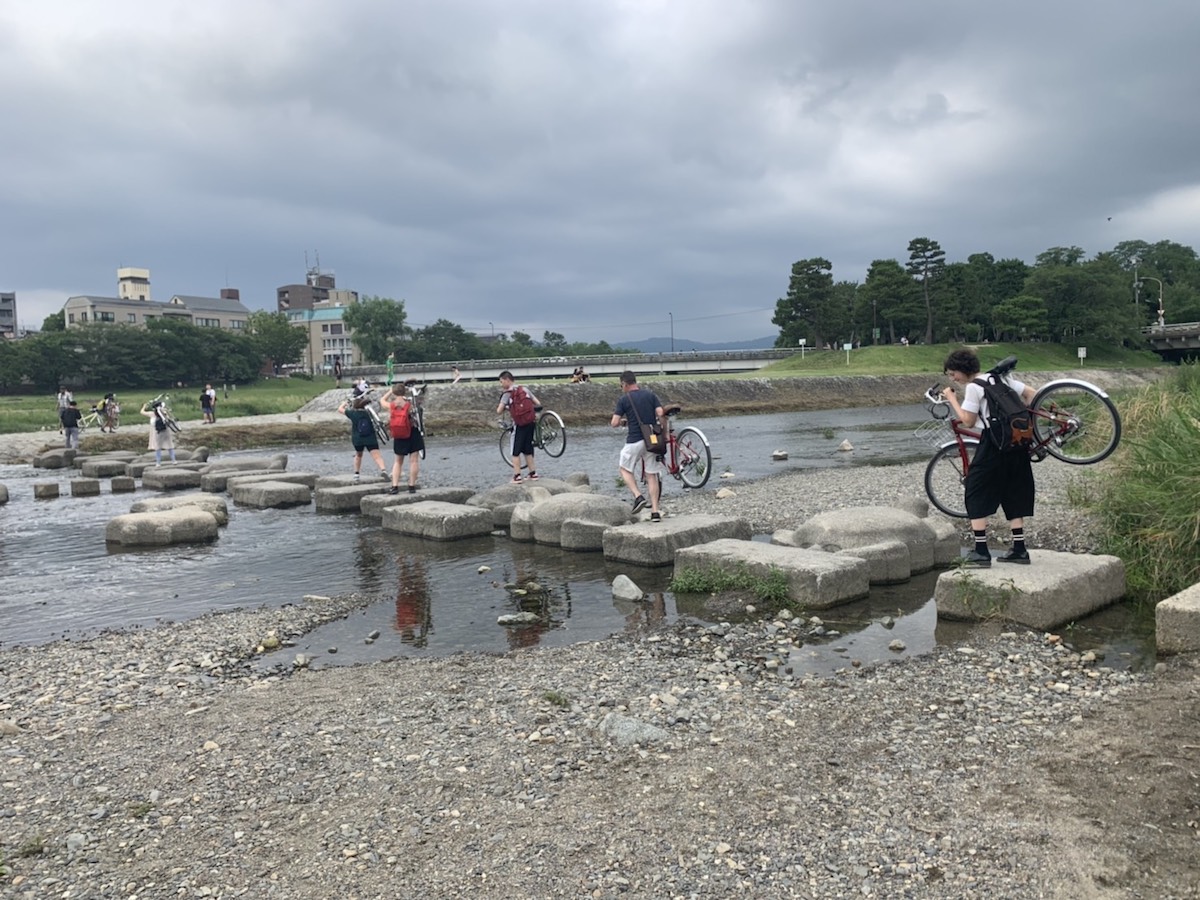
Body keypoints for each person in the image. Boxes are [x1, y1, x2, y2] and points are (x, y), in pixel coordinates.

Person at [941, 347, 1037, 566]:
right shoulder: (1000, 378)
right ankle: (1020, 550)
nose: (953, 378)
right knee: (1014, 491)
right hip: (1017, 442)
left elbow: (967, 421)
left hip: (993, 444)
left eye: (953, 373)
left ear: (963, 370)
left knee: (975, 489)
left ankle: (981, 551)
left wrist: (951, 399)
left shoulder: (975, 387)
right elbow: (1031, 394)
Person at [610, 370, 667, 521]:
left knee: (624, 469)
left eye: (620, 385)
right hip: (652, 439)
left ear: (624, 384)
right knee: (652, 475)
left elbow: (614, 423)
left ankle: (638, 496)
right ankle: (655, 512)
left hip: (635, 439)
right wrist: (664, 431)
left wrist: (624, 421)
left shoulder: (624, 399)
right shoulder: (650, 395)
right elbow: (661, 413)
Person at [496, 370, 541, 483]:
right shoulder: (524, 389)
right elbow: (537, 402)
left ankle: (517, 476)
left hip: (519, 424)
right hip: (530, 422)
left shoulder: (507, 394)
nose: (501, 385)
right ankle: (533, 474)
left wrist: (508, 407)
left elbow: (499, 411)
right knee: (528, 449)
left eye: (501, 382)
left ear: (507, 380)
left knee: (515, 451)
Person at [380, 382, 424, 494]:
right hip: (412, 432)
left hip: (399, 434)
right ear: (404, 391)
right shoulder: (410, 404)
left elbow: (382, 401)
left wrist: (390, 391)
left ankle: (394, 486)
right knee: (414, 460)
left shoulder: (392, 405)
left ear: (395, 392)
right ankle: (412, 486)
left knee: (398, 461)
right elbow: (418, 412)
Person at [337, 394, 389, 481]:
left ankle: (356, 474)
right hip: (370, 437)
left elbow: (340, 409)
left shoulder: (352, 413)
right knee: (377, 456)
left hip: (357, 438)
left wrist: (345, 403)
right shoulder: (370, 413)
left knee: (358, 455)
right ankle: (383, 470)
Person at [141, 399, 177, 466]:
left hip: (157, 432)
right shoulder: (164, 412)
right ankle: (173, 460)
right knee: (170, 446)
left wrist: (144, 406)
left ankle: (158, 463)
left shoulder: (152, 414)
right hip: (166, 430)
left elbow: (142, 412)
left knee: (158, 447)